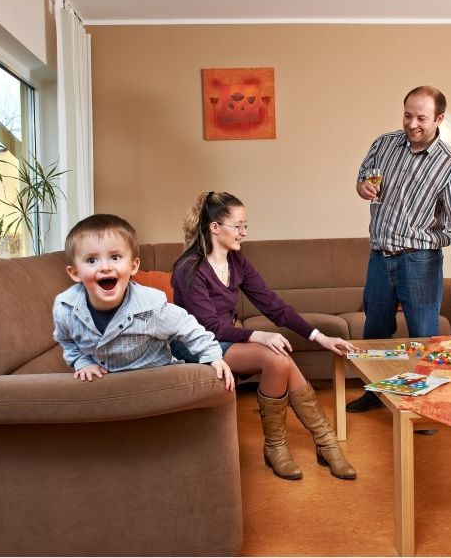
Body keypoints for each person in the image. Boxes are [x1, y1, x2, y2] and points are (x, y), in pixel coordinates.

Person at [171, 191, 359, 481]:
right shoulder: (190, 268)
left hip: (226, 340)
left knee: (279, 359)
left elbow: (274, 305)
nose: (244, 233)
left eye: (246, 225)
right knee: (274, 356)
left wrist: (320, 337)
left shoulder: (237, 262)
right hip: (197, 346)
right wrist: (257, 335)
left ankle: (322, 444)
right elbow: (208, 326)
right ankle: (293, 446)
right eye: (239, 226)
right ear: (215, 227)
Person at [347, 85, 451, 413]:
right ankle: (375, 393)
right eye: (408, 115)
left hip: (420, 260)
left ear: (439, 119)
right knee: (375, 332)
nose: (412, 123)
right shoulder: (384, 144)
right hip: (380, 257)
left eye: (421, 117)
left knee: (424, 334)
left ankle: (428, 402)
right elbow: (363, 179)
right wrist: (362, 187)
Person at [53, 213, 234, 391]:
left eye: (115, 257)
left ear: (133, 266)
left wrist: (213, 356)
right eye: (92, 260)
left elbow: (186, 326)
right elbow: (66, 340)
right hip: (109, 385)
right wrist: (82, 361)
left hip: (154, 377)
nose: (105, 267)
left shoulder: (151, 306)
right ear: (75, 273)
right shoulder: (65, 308)